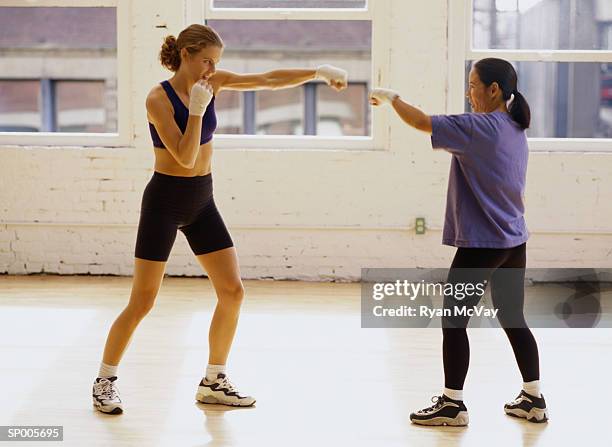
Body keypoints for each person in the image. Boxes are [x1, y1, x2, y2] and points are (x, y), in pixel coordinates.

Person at [92, 24, 348, 414]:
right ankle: (104, 381)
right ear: (186, 55)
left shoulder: (213, 83)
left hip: (201, 201)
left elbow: (267, 80)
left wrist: (316, 73)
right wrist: (196, 109)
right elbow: (184, 156)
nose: (212, 69)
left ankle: (214, 380)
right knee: (143, 301)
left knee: (233, 291)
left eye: (217, 62)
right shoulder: (157, 99)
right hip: (164, 200)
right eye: (207, 60)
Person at [369, 58, 548, 426]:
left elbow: (422, 122)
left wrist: (392, 97)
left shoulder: (477, 128)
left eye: (473, 85)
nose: (469, 93)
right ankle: (533, 398)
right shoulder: (515, 127)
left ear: (493, 90)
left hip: (484, 241)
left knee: (453, 320)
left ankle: (452, 404)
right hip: (514, 239)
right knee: (513, 316)